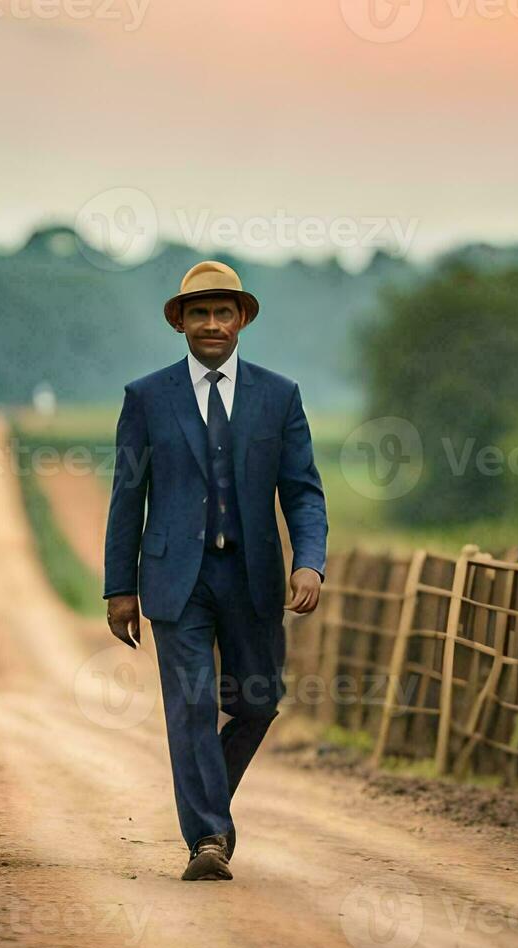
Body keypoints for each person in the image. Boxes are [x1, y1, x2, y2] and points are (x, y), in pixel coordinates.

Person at [102, 259, 329, 881]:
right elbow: (129, 496)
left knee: (257, 701)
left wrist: (309, 563)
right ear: (180, 324)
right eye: (198, 313)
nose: (211, 324)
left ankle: (207, 802)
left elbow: (304, 492)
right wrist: (120, 587)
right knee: (192, 704)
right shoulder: (146, 398)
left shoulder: (279, 396)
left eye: (222, 312)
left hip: (252, 576)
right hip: (178, 580)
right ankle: (208, 837)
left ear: (241, 321)